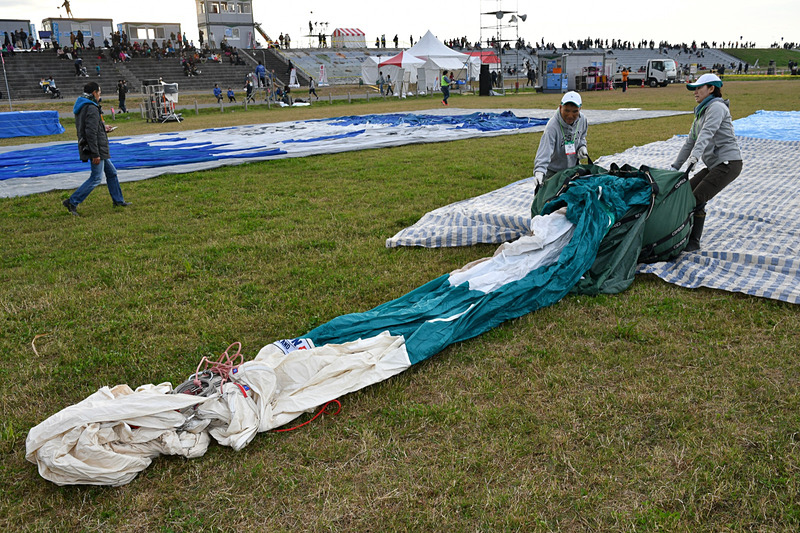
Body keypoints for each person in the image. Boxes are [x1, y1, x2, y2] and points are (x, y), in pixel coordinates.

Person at [670, 73, 742, 251]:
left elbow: (706, 134)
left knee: (696, 198)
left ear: (711, 89)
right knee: (685, 191)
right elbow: (690, 141)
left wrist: (695, 158)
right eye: (693, 89)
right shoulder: (701, 112)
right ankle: (683, 236)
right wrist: (675, 167)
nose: (695, 92)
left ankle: (693, 241)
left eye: (698, 88)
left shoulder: (716, 107)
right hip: (714, 165)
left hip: (728, 163)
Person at [62, 82, 129, 216]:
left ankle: (118, 200)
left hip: (97, 147)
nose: (100, 95)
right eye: (99, 92)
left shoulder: (82, 105)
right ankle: (72, 201)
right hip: (96, 149)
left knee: (112, 173)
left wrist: (103, 128)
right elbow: (90, 133)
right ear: (94, 93)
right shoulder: (91, 108)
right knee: (96, 178)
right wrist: (95, 154)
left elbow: (89, 127)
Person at [532, 91, 589, 189]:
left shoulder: (583, 120)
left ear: (580, 109)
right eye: (566, 110)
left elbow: (582, 136)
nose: (570, 115)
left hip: (573, 170)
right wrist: (539, 171)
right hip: (553, 172)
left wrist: (582, 146)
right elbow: (545, 150)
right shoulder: (552, 127)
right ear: (560, 108)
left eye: (575, 111)